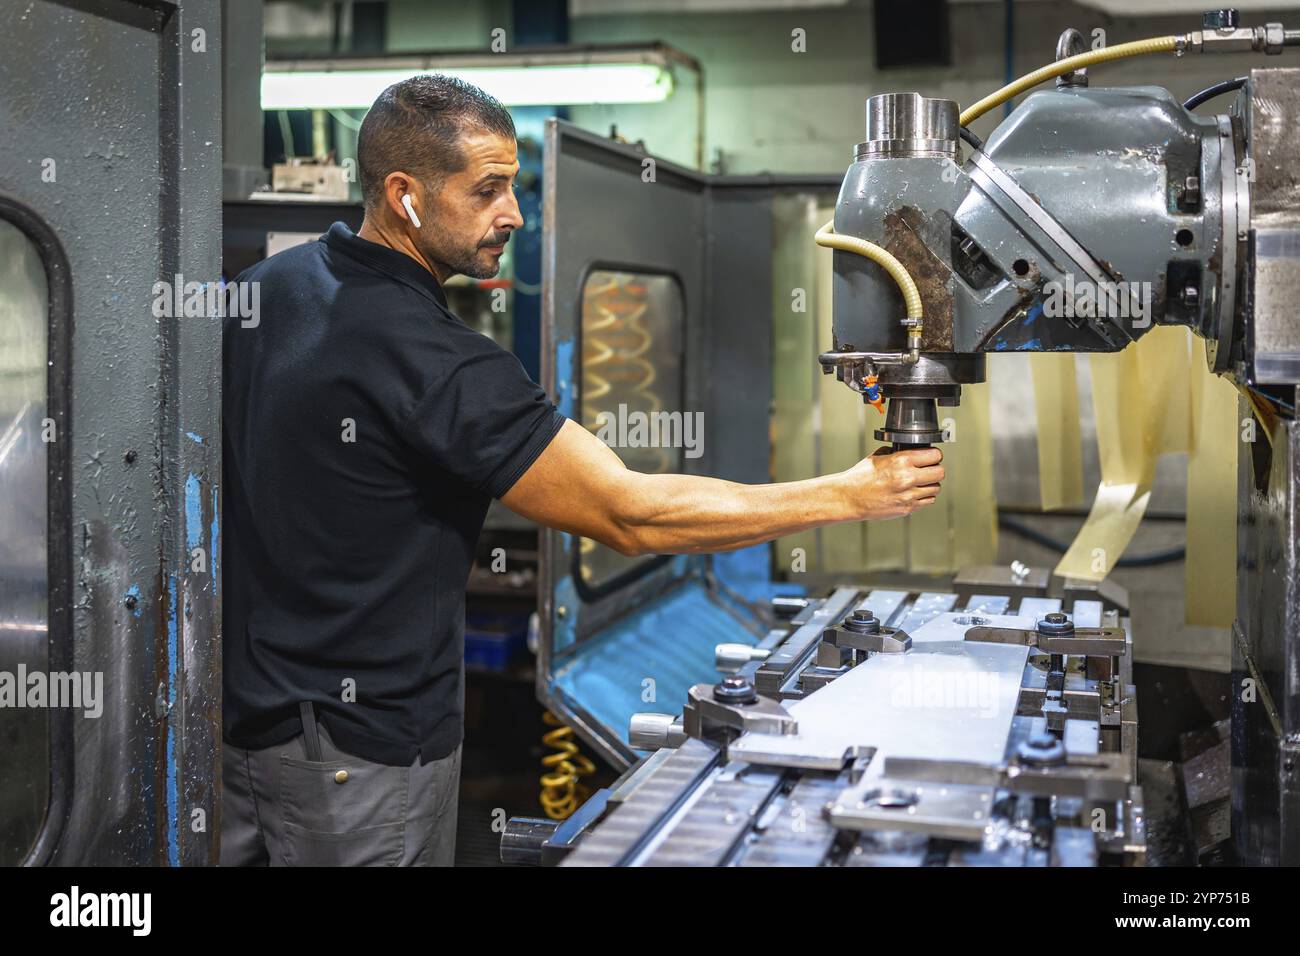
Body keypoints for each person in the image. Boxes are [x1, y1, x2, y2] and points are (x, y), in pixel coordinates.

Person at [219, 74, 943, 867]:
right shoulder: (440, 360)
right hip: (364, 760)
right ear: (405, 195)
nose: (514, 215)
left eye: (517, 187)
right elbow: (630, 515)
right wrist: (849, 492)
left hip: (238, 727)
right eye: (489, 190)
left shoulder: (262, 292)